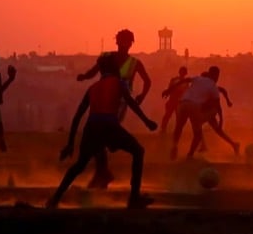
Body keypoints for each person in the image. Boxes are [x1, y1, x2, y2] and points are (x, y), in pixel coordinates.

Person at [47, 54, 157, 210]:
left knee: (79, 164)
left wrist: (70, 143)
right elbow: (131, 103)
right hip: (109, 125)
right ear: (115, 68)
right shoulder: (119, 83)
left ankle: (55, 199)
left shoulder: (92, 88)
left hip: (91, 127)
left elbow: (78, 116)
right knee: (138, 151)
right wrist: (147, 122)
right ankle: (134, 198)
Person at [77, 29, 151, 187]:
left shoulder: (135, 63)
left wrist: (141, 97)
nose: (125, 44)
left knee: (102, 134)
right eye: (122, 40)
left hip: (121, 102)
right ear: (117, 42)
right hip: (104, 99)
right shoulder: (106, 58)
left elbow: (147, 81)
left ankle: (102, 173)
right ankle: (102, 172)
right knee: (101, 137)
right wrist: (84, 76)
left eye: (128, 41)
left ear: (131, 43)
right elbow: (93, 72)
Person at [164, 68, 239, 157]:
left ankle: (175, 146)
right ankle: (190, 154)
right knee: (200, 132)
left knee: (179, 126)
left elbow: (185, 80)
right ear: (215, 76)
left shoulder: (199, 79)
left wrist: (170, 89)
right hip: (198, 109)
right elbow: (218, 105)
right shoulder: (212, 86)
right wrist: (221, 119)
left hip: (184, 103)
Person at [160, 66, 190, 135]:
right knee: (167, 115)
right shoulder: (174, 80)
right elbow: (170, 88)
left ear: (185, 73)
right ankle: (163, 129)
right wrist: (167, 93)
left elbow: (186, 91)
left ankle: (177, 131)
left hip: (180, 102)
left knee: (178, 118)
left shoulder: (186, 82)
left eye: (184, 72)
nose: (182, 73)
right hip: (172, 100)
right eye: (181, 71)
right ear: (179, 72)